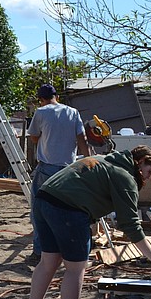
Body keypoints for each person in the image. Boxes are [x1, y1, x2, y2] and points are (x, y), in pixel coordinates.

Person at [25, 146, 151, 299]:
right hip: (68, 209)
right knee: (76, 268)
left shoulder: (101, 159)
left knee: (48, 262)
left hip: (44, 200)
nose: (149, 177)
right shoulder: (124, 176)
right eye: (150, 171)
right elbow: (130, 224)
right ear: (141, 161)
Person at [27, 83, 88, 262]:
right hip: (69, 169)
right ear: (57, 97)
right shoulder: (72, 112)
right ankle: (67, 250)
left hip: (47, 168)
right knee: (67, 210)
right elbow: (82, 138)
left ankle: (39, 252)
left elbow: (34, 137)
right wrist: (89, 161)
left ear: (41, 99)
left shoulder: (41, 112)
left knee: (39, 212)